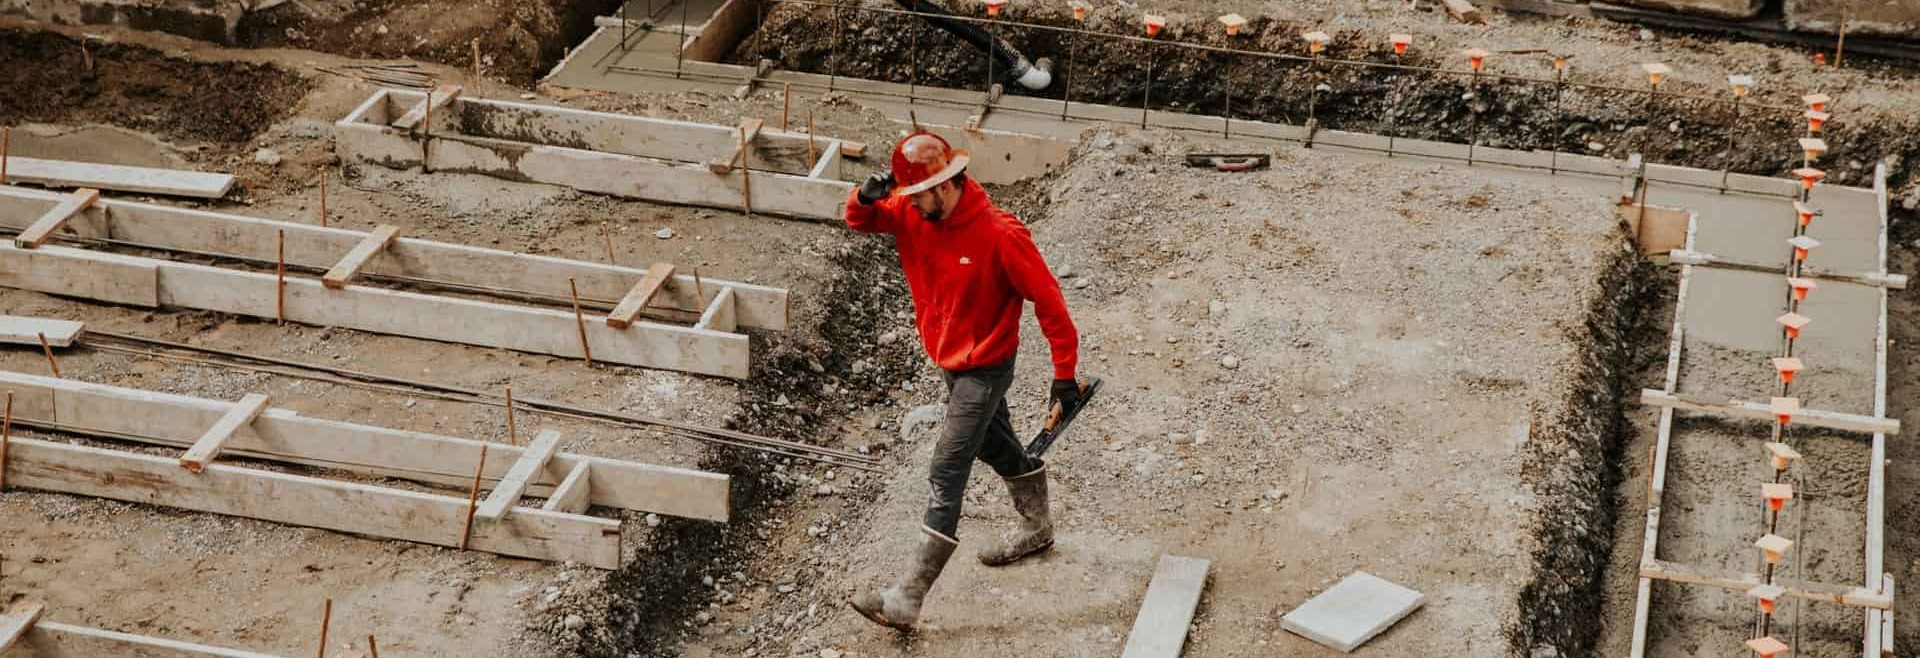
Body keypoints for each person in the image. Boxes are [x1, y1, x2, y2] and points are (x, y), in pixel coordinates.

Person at [842, 132, 1083, 630]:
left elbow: (1051, 303)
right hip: (948, 358)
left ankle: (907, 599)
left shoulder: (1000, 234)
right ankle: (1038, 528)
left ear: (946, 184)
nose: (906, 203)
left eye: (916, 194)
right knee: (995, 446)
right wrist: (863, 197)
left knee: (948, 466)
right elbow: (861, 221)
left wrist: (1064, 378)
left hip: (986, 367)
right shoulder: (915, 212)